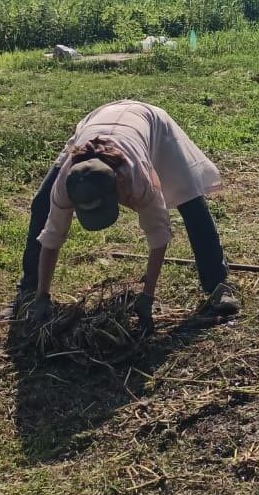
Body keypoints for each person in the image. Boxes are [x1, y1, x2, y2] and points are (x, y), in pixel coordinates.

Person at [14, 100, 239, 329]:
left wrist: (147, 296)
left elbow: (158, 233)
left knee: (190, 200)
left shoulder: (136, 179)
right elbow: (52, 236)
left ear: (118, 190)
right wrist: (43, 295)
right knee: (42, 203)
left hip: (150, 121)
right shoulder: (66, 183)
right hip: (99, 119)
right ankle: (31, 289)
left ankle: (217, 284)